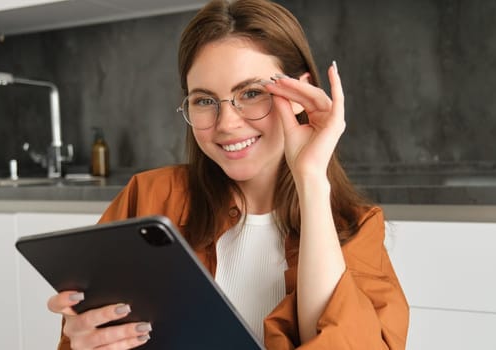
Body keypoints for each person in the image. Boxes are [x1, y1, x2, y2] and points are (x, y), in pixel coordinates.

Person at [46, 0, 409, 348]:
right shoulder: (149, 197)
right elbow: (82, 335)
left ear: (299, 93)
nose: (227, 124)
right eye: (204, 100)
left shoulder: (356, 229)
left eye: (251, 93)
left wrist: (311, 180)